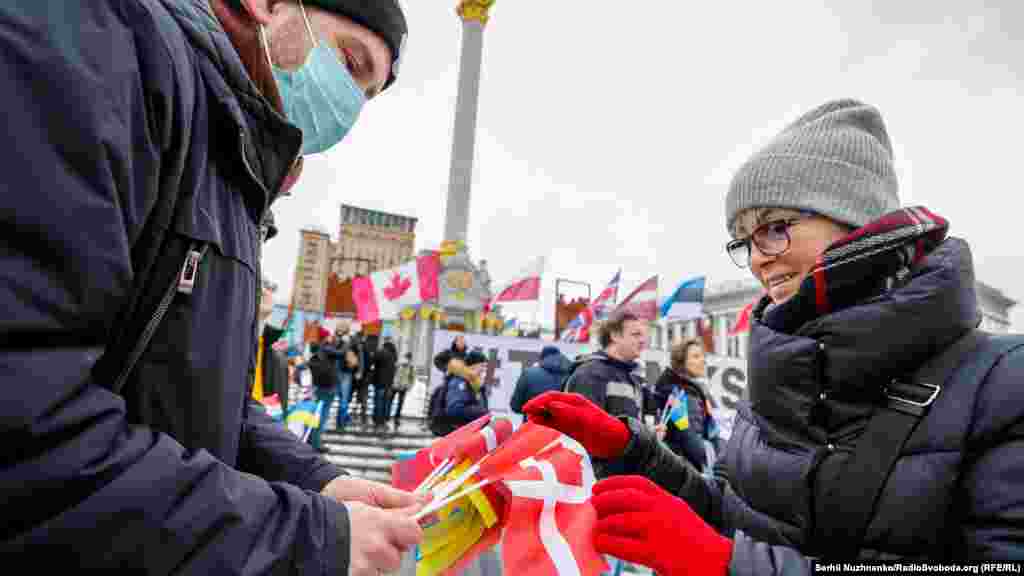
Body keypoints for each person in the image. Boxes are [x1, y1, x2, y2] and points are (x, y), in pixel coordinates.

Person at [0, 0, 427, 573]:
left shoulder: (235, 161)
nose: (348, 104)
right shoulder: (104, 49)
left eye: (366, 95)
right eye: (350, 63)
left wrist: (316, 480)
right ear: (266, 5)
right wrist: (306, 538)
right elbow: (25, 419)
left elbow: (200, 397)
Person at [523, 99, 1024, 574]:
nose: (759, 259)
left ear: (856, 220)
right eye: (745, 239)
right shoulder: (779, 370)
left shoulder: (1003, 382)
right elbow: (735, 516)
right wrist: (632, 451)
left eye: (775, 227)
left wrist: (725, 566)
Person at [563, 309, 647, 477]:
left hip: (624, 475)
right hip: (599, 478)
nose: (642, 341)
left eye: (643, 335)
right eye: (636, 334)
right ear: (614, 336)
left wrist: (647, 435)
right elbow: (583, 436)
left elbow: (628, 428)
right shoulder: (590, 374)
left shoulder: (631, 378)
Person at [652, 338, 723, 472]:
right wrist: (711, 459)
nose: (703, 360)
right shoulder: (680, 394)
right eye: (696, 356)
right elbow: (688, 436)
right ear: (681, 362)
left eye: (703, 356)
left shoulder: (682, 390)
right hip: (686, 469)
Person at [509, 345, 571, 414]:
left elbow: (515, 406)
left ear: (541, 359)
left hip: (533, 419)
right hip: (561, 420)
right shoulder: (571, 374)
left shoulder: (528, 373)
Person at [444, 350, 491, 429]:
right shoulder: (459, 382)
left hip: (474, 430)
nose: (484, 369)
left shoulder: (476, 384)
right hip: (461, 431)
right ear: (473, 366)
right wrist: (481, 412)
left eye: (485, 366)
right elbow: (454, 409)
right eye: (482, 366)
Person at [372, 337, 398, 432]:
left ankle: (378, 421)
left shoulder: (381, 352)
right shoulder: (394, 355)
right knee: (386, 403)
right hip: (389, 383)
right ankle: (384, 420)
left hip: (380, 382)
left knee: (378, 402)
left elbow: (373, 361)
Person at [391, 351, 416, 429]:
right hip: (395, 386)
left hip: (403, 387)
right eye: (407, 358)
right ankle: (387, 416)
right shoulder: (398, 364)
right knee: (390, 401)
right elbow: (393, 373)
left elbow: (412, 378)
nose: (408, 360)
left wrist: (408, 386)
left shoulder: (411, 367)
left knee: (400, 403)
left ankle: (397, 418)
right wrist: (393, 383)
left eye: (409, 358)